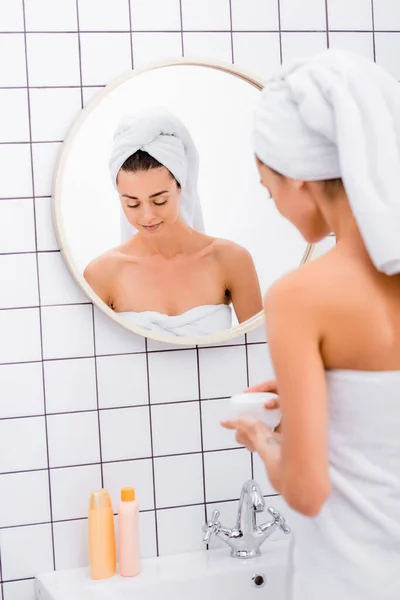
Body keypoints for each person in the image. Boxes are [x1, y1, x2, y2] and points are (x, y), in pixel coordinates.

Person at [222, 50, 400, 599]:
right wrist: (330, 397)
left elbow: (306, 493)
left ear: (297, 179)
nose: (272, 203)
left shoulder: (300, 296)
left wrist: (261, 439)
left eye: (266, 186)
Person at [84, 110, 262, 337]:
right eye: (132, 204)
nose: (147, 216)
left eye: (160, 201)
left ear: (181, 187)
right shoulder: (102, 274)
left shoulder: (231, 260)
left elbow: (258, 350)